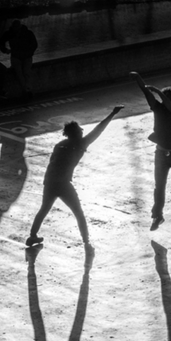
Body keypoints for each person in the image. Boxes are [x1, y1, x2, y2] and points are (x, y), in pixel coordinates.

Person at [26, 106, 124, 249]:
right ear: (77, 132)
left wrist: (48, 181)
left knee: (44, 209)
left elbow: (52, 163)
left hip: (50, 182)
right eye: (79, 129)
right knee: (78, 212)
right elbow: (99, 129)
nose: (82, 131)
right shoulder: (80, 144)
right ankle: (86, 240)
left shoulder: (59, 145)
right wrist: (113, 113)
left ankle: (32, 235)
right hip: (64, 184)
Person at [130, 71, 171, 233]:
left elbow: (169, 105)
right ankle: (157, 215)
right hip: (162, 153)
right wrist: (138, 79)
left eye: (166, 97)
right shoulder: (158, 108)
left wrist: (158, 92)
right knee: (159, 186)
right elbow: (145, 91)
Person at [0, 19, 38, 100]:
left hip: (21, 56)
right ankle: (27, 90)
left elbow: (34, 44)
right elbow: (34, 44)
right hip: (20, 56)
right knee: (23, 73)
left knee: (23, 72)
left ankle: (26, 90)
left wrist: (5, 50)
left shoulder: (22, 33)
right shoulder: (26, 32)